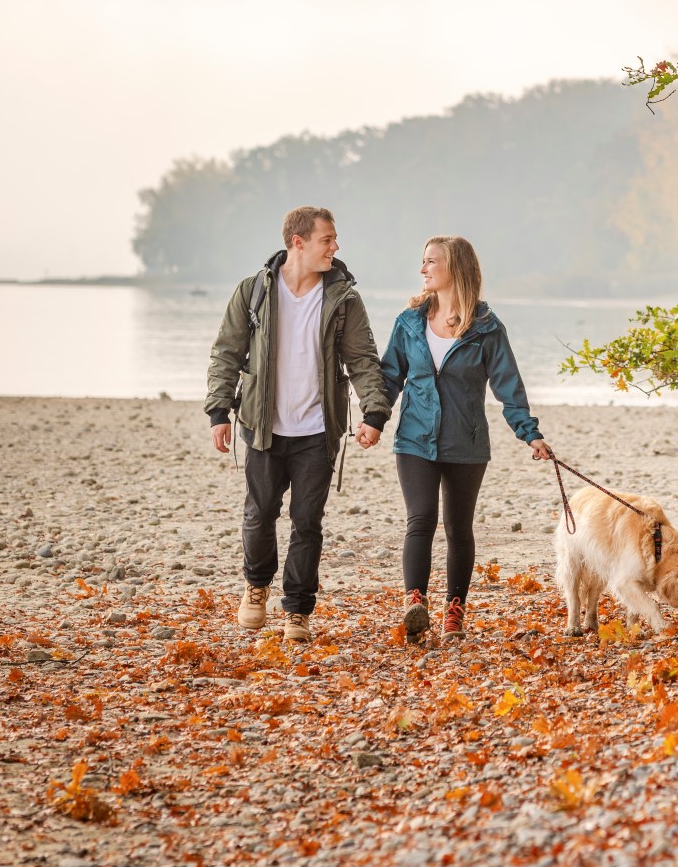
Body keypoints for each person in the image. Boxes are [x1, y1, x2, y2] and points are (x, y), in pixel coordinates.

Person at [206, 206, 390, 643]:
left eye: (335, 239)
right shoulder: (253, 292)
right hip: (262, 426)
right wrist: (218, 411)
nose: (335, 247)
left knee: (307, 521)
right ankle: (256, 585)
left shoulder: (343, 298)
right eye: (327, 239)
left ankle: (297, 611)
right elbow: (226, 353)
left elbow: (362, 360)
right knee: (260, 514)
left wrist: (374, 412)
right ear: (299, 242)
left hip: (316, 430)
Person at [359, 235, 552, 640]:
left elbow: (508, 387)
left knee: (458, 527)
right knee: (421, 518)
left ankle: (454, 612)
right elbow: (390, 376)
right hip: (414, 438)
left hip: (466, 443)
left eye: (431, 262)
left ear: (455, 269)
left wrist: (529, 434)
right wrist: (374, 420)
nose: (423, 269)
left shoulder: (486, 328)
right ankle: (415, 602)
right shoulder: (409, 322)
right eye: (423, 261)